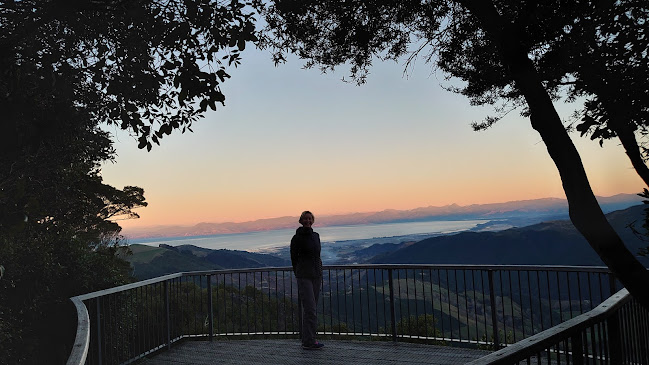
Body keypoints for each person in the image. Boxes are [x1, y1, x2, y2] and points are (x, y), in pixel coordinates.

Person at [290, 210, 324, 350]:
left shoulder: (316, 236)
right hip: (304, 276)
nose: (307, 221)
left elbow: (317, 255)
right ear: (301, 221)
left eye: (310, 219)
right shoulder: (296, 238)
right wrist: (298, 272)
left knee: (312, 309)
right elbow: (294, 258)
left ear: (313, 220)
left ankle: (308, 339)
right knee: (310, 309)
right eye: (305, 219)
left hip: (316, 275)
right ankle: (309, 341)